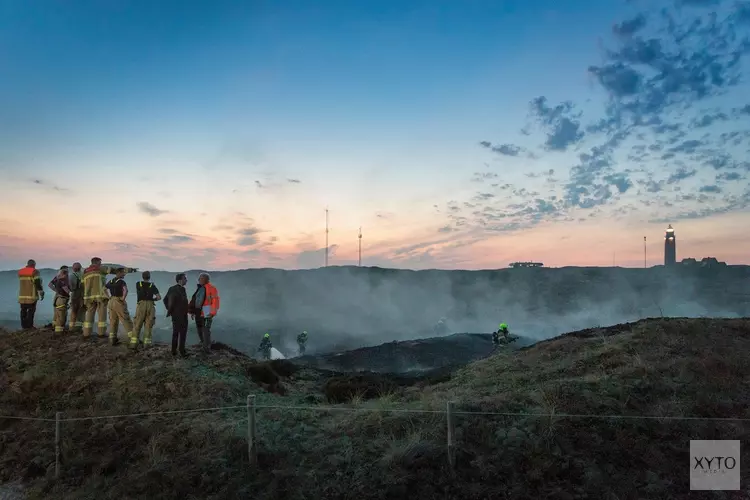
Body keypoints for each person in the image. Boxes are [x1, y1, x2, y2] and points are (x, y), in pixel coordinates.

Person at [82, 257, 137, 339]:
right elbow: (115, 270)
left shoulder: (85, 271)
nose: (101, 263)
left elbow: (83, 284)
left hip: (88, 297)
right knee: (102, 315)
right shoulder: (100, 268)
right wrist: (130, 270)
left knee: (89, 314)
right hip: (100, 295)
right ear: (97, 262)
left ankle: (86, 334)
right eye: (100, 262)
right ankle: (101, 333)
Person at [188, 272, 220, 354]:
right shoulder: (200, 288)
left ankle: (207, 348)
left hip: (207, 311)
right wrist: (192, 311)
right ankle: (204, 344)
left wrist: (212, 312)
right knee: (199, 329)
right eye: (199, 278)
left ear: (207, 280)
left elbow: (215, 301)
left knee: (205, 330)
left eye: (201, 278)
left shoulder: (212, 288)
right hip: (198, 311)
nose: (199, 280)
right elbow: (194, 300)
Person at [131, 271, 161, 349]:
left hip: (141, 305)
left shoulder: (138, 284)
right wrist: (152, 299)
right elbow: (159, 297)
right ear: (149, 277)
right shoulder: (152, 285)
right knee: (148, 326)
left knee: (137, 324)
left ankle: (133, 345)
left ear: (142, 276)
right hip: (150, 305)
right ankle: (146, 345)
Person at [105, 268, 134, 347]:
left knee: (113, 321)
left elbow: (104, 289)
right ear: (119, 273)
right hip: (118, 301)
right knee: (126, 320)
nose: (124, 274)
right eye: (123, 273)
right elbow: (125, 290)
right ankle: (133, 339)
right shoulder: (121, 282)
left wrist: (109, 297)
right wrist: (123, 298)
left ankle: (112, 340)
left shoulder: (111, 281)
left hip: (111, 302)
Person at [164, 273, 189, 357]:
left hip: (181, 314)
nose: (186, 280)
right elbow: (166, 300)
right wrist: (171, 310)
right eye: (185, 278)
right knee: (181, 333)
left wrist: (170, 311)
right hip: (179, 315)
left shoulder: (181, 289)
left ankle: (174, 351)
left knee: (177, 332)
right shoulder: (174, 289)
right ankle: (181, 351)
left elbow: (165, 300)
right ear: (180, 280)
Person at [18, 259, 44, 329]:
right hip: (31, 295)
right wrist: (41, 291)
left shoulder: (21, 272)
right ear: (33, 265)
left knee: (23, 311)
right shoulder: (35, 271)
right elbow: (37, 282)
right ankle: (30, 326)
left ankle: (24, 326)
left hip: (22, 296)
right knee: (31, 311)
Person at [48, 267, 71, 336]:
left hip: (58, 297)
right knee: (61, 314)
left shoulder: (57, 278)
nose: (67, 273)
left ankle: (54, 327)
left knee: (57, 313)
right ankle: (59, 331)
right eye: (66, 271)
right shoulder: (63, 280)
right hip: (62, 297)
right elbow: (67, 290)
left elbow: (50, 285)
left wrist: (57, 291)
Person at [68, 262, 85, 332]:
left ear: (73, 268)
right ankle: (78, 328)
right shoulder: (84, 275)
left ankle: (71, 328)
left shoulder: (71, 276)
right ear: (80, 268)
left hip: (74, 295)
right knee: (81, 311)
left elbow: (70, 288)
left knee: (74, 311)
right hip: (83, 295)